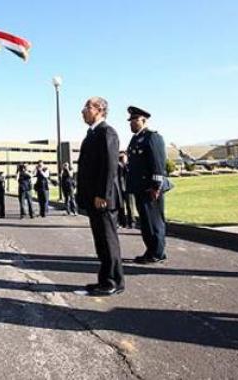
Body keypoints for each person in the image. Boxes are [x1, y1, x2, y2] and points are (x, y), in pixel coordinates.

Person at [76, 97, 124, 296]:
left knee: (107, 240)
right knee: (101, 242)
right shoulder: (92, 134)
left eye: (87, 107)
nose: (83, 110)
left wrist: (101, 194)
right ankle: (104, 279)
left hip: (103, 198)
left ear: (100, 110)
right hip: (94, 198)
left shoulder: (106, 132)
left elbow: (110, 166)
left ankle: (113, 281)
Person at [125, 106, 168, 264]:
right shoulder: (136, 139)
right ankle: (151, 250)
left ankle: (157, 252)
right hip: (139, 187)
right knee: (145, 221)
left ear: (143, 120)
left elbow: (158, 163)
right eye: (130, 121)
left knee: (154, 221)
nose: (131, 123)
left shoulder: (152, 137)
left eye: (134, 120)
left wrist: (156, 186)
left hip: (150, 188)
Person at [117, 152, 134, 228]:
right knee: (121, 206)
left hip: (128, 187)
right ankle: (122, 222)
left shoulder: (129, 166)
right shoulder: (118, 166)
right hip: (121, 187)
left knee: (130, 206)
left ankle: (131, 222)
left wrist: (125, 164)